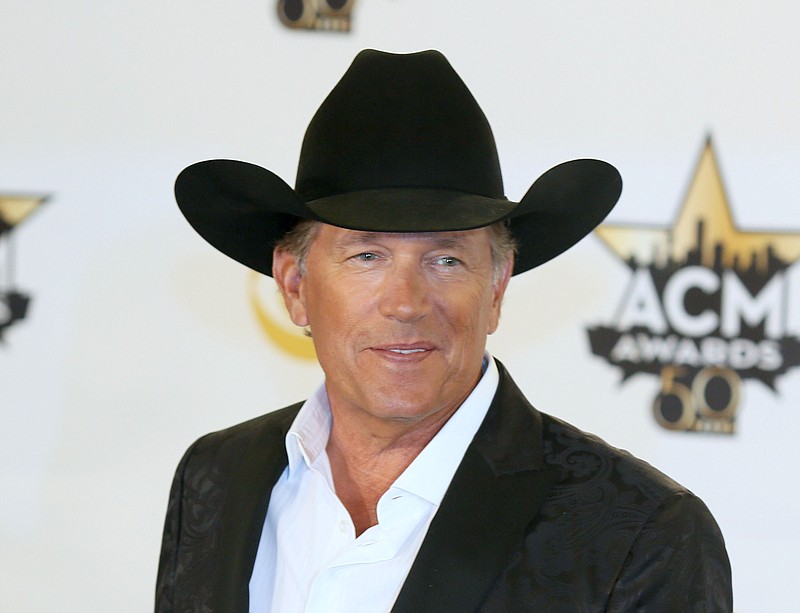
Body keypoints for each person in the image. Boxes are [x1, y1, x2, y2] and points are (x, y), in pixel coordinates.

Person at [155, 49, 732, 612]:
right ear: (295, 285)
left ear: (498, 287)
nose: (406, 304)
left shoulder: (640, 536)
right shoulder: (216, 477)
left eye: (446, 260)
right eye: (366, 256)